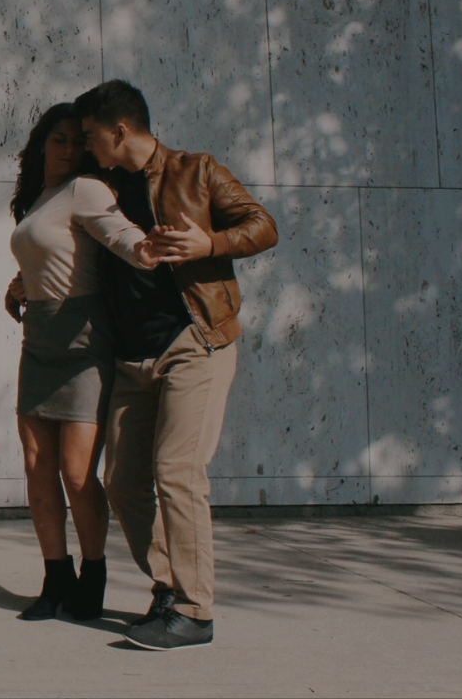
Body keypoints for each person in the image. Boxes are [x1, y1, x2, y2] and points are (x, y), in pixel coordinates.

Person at [74, 79, 277, 650]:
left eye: (92, 136)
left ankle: (193, 610)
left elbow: (264, 225)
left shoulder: (197, 170)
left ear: (120, 130)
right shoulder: (100, 188)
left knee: (178, 471)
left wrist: (208, 245)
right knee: (121, 482)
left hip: (196, 341)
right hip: (132, 355)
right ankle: (169, 584)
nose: (87, 147)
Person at [4, 103, 162, 621]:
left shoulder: (87, 189)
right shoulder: (37, 199)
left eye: (78, 140)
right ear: (42, 144)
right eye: (60, 140)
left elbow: (117, 232)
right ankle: (55, 579)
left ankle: (92, 578)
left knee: (76, 473)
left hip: (83, 341)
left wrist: (148, 249)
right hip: (39, 338)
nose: (71, 149)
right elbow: (48, 256)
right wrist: (19, 283)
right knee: (36, 468)